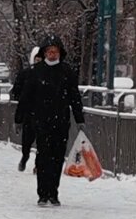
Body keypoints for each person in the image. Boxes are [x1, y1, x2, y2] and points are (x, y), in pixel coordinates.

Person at [11, 34, 84, 205]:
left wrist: (79, 118)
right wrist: (19, 119)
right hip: (41, 121)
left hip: (61, 121)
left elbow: (75, 97)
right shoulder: (35, 72)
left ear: (60, 53)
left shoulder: (67, 72)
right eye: (49, 51)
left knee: (58, 157)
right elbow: (25, 97)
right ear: (44, 53)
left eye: (55, 51)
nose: (52, 54)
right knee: (43, 156)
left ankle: (54, 192)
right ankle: (43, 193)